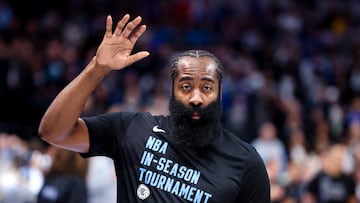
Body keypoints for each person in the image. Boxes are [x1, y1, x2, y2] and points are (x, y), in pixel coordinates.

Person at [38, 13, 270, 203]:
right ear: (171, 90)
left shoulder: (247, 162)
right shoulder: (133, 129)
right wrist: (97, 68)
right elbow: (53, 132)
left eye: (207, 88)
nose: (196, 97)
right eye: (186, 86)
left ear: (220, 94)